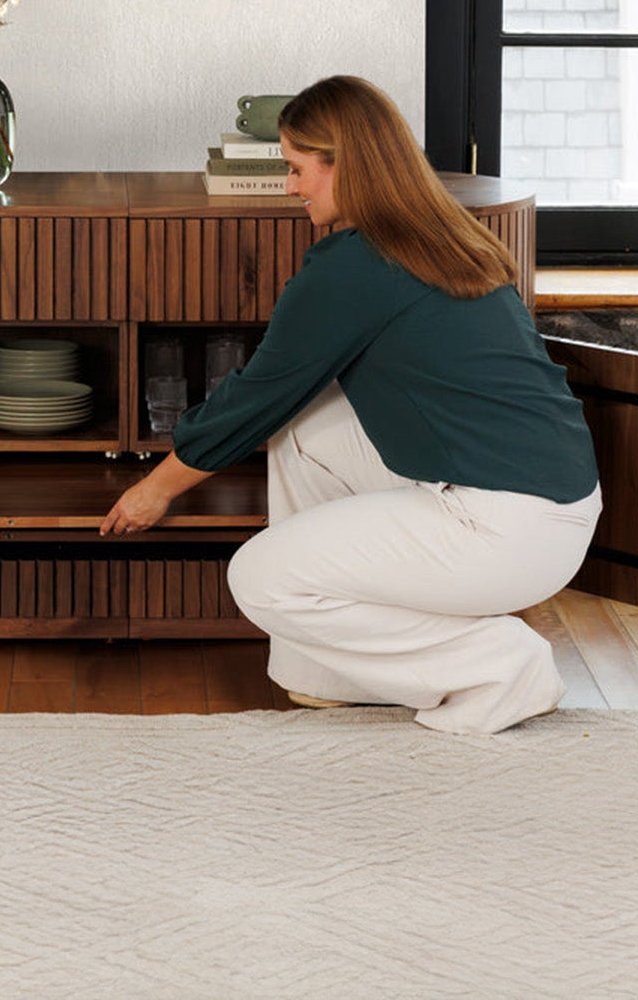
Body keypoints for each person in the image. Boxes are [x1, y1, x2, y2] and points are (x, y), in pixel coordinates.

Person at [99, 75, 601, 735]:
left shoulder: (353, 269)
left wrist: (153, 491)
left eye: (298, 169)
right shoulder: (441, 234)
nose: (291, 187)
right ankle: (329, 676)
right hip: (549, 504)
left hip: (502, 527)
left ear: (348, 167)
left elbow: (254, 397)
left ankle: (501, 666)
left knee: (260, 578)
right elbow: (282, 405)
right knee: (308, 427)